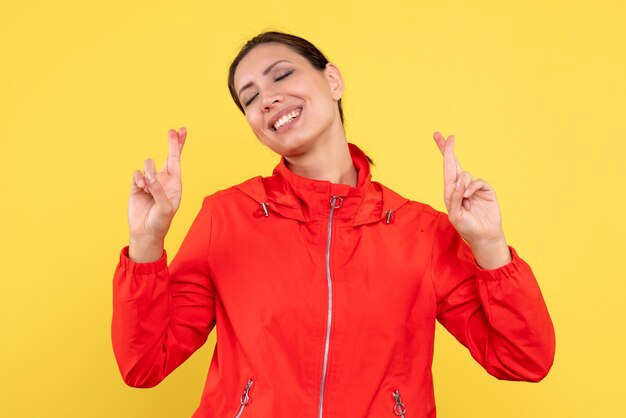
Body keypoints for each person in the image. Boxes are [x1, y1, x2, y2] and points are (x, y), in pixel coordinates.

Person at [112, 32, 555, 418]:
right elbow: (144, 365)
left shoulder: (419, 231)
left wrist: (491, 247)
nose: (267, 98)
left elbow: (524, 360)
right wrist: (146, 242)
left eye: (281, 75)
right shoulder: (226, 217)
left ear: (333, 80)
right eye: (249, 98)